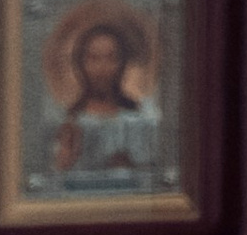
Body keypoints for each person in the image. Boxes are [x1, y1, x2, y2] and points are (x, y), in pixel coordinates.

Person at [50, 18, 163, 190]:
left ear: (123, 63)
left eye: (111, 58)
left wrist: (129, 167)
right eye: (94, 58)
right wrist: (66, 159)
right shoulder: (67, 119)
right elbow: (52, 179)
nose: (102, 68)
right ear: (80, 64)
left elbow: (156, 178)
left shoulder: (140, 117)